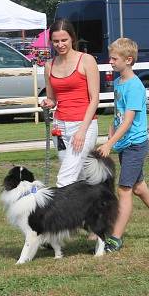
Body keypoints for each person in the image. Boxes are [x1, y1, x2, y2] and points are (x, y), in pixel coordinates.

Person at [96, 38, 149, 252]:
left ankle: (115, 238)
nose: (110, 62)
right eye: (110, 57)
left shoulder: (134, 86)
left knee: (124, 190)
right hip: (125, 144)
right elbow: (118, 116)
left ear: (129, 60)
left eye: (114, 59)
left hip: (135, 145)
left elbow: (128, 120)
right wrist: (110, 138)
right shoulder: (118, 83)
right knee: (139, 188)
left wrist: (110, 143)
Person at [40, 19, 101, 186]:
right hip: (59, 127)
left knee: (65, 179)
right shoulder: (49, 65)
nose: (60, 45)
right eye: (56, 41)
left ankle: (61, 212)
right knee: (79, 176)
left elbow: (95, 98)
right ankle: (89, 210)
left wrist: (82, 131)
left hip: (83, 124)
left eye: (64, 40)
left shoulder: (87, 60)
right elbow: (53, 98)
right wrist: (48, 102)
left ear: (72, 38)